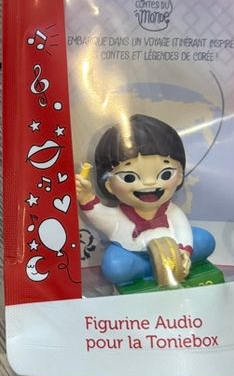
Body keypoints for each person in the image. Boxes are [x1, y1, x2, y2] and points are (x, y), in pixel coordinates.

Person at [76, 114, 215, 288]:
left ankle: (170, 265)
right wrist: (86, 196)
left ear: (179, 176)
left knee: (205, 240)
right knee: (115, 267)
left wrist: (184, 251)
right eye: (129, 177)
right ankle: (152, 268)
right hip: (134, 254)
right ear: (109, 184)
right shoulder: (119, 216)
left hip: (174, 249)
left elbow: (182, 229)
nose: (150, 184)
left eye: (165, 174)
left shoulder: (172, 211)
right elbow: (101, 216)